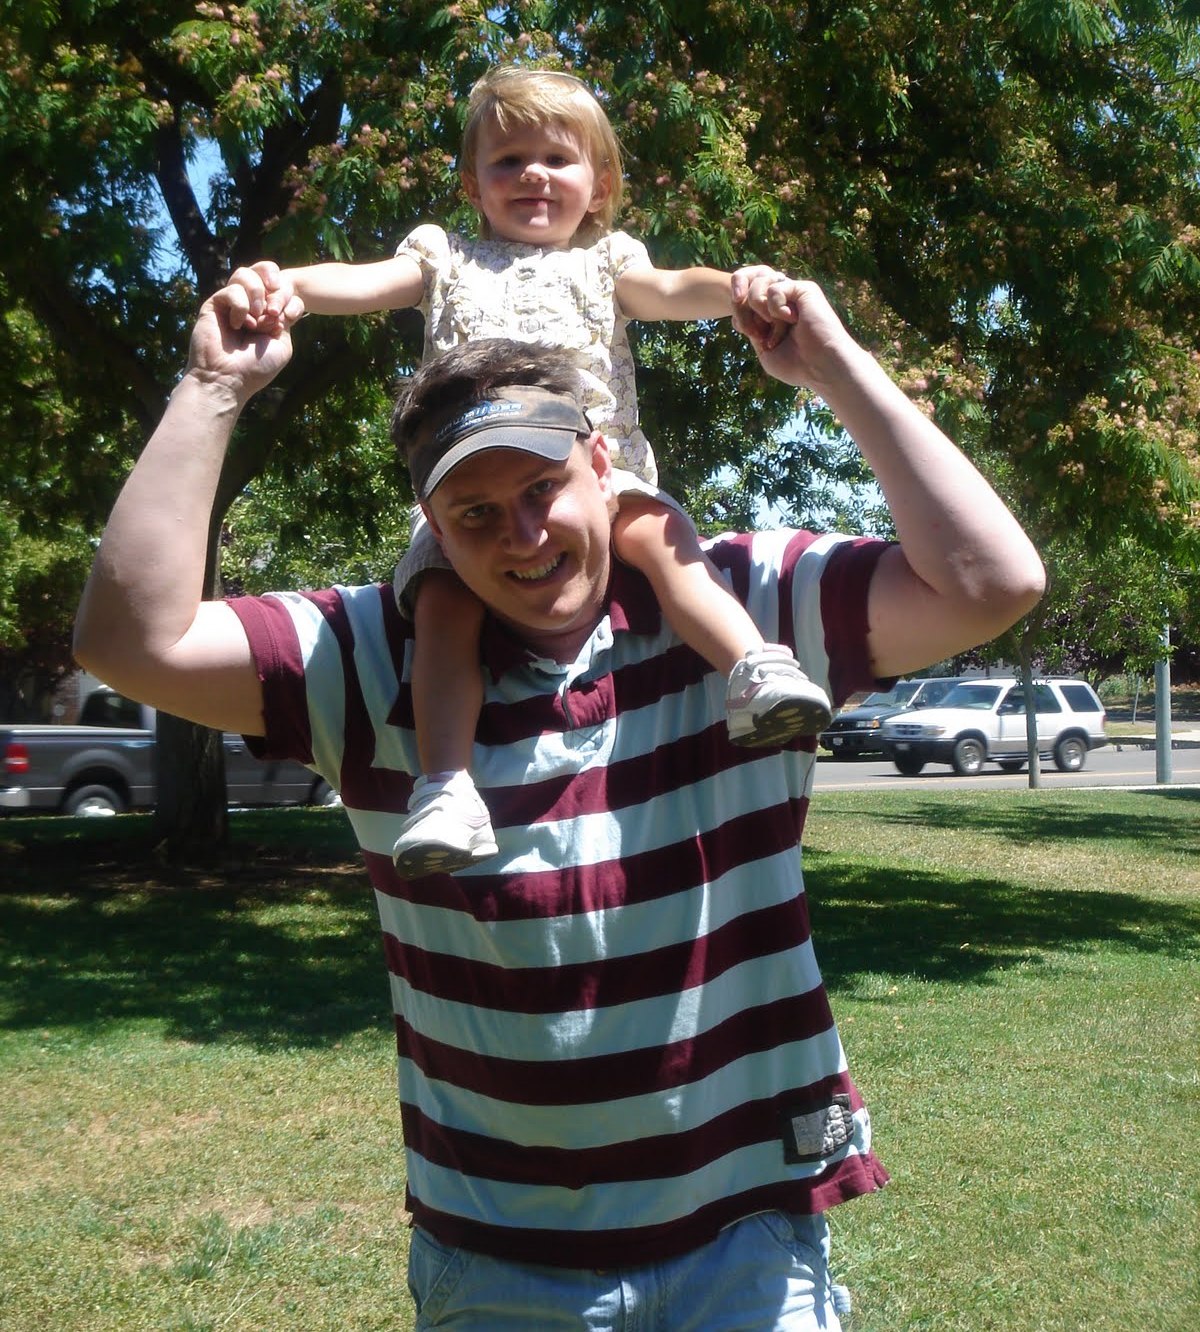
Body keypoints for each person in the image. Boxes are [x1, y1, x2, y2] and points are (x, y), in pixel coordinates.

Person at [73, 265, 1045, 1332]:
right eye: (477, 512)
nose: (523, 535)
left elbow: (991, 581)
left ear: (603, 466)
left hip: (750, 1232)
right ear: (434, 529)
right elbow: (131, 642)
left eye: (543, 489)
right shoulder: (365, 654)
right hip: (500, 1256)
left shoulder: (749, 604)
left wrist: (835, 368)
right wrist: (213, 389)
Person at [229, 65, 832, 878]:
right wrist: (287, 285)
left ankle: (753, 668)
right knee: (443, 609)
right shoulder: (444, 257)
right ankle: (447, 788)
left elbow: (669, 288)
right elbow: (368, 280)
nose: (533, 176)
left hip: (595, 474)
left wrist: (738, 289)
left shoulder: (608, 262)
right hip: (472, 486)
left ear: (600, 184)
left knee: (666, 543)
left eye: (556, 158)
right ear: (473, 185)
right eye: (508, 161)